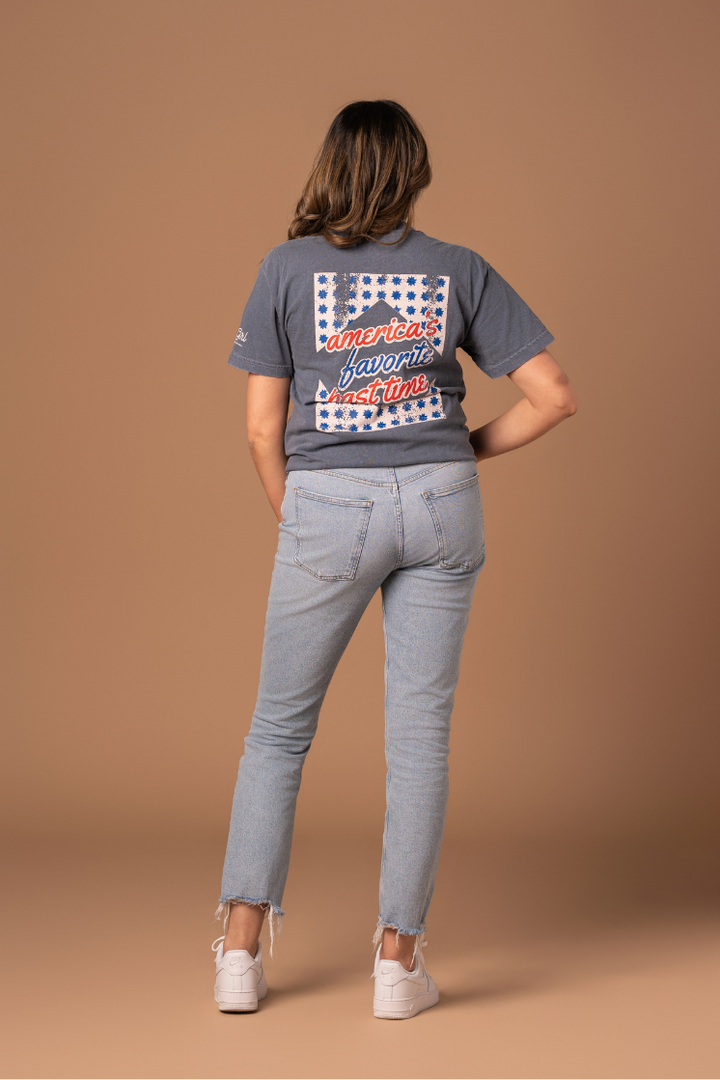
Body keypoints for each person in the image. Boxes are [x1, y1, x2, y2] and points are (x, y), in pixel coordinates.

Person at [212, 99, 577, 1019]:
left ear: (330, 167)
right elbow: (552, 396)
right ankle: (396, 965)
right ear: (413, 171)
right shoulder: (459, 269)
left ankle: (239, 959)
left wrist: (304, 518)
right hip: (443, 506)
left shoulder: (285, 267)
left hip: (328, 506)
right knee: (418, 743)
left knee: (278, 733)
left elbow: (262, 429)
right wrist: (457, 459)